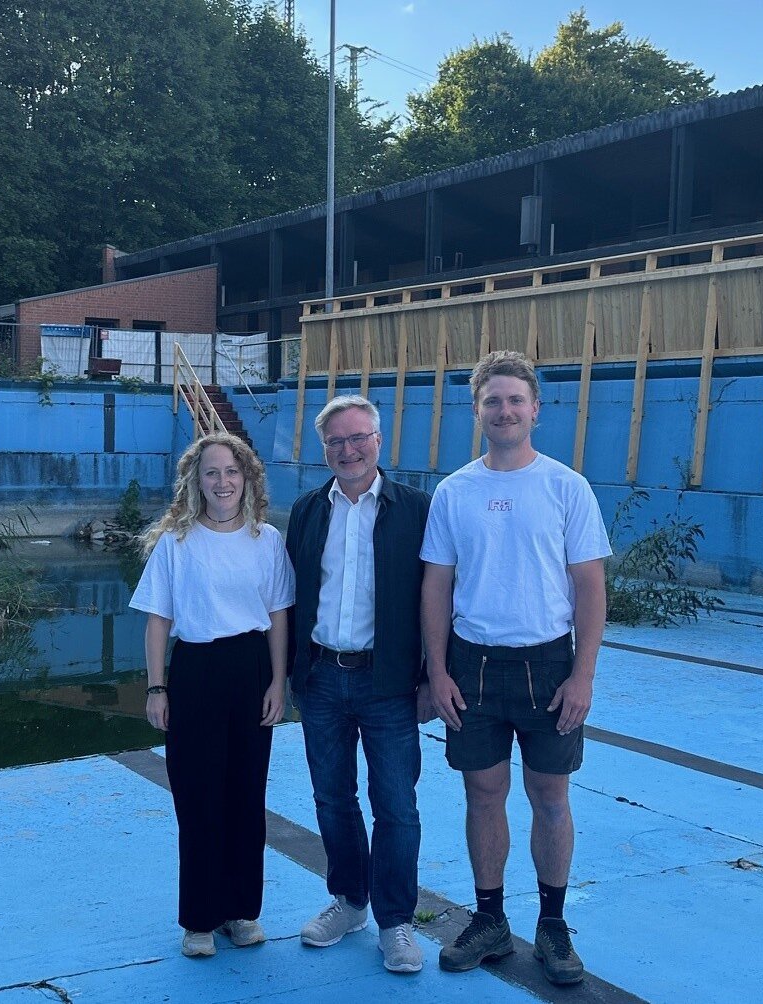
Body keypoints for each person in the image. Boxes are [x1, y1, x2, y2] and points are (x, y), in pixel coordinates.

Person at [421, 350, 611, 985]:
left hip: (548, 665)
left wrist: (582, 674)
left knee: (550, 794)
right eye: (491, 401)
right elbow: (436, 589)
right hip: (472, 666)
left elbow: (589, 587)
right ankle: (490, 918)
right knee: (482, 792)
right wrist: (438, 671)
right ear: (476, 411)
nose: (504, 411)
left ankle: (553, 928)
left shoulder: (566, 487)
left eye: (514, 400)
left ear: (535, 409)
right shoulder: (455, 492)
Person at [130, 432, 295, 959]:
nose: (222, 482)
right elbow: (159, 622)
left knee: (246, 796)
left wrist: (277, 680)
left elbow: (277, 618)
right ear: (194, 482)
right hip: (196, 671)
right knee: (198, 796)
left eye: (231, 472)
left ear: (246, 478)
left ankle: (242, 911)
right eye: (211, 473)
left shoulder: (266, 540)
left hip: (250, 672)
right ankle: (200, 918)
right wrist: (158, 687)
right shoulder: (176, 542)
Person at [285, 396, 432, 974]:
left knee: (396, 804)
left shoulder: (417, 509)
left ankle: (396, 921)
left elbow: (437, 600)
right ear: (324, 450)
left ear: (379, 440)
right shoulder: (306, 511)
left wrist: (429, 677)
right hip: (321, 677)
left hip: (388, 682)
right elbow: (290, 598)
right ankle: (349, 900)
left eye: (358, 438)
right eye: (336, 442)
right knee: (332, 797)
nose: (348, 450)